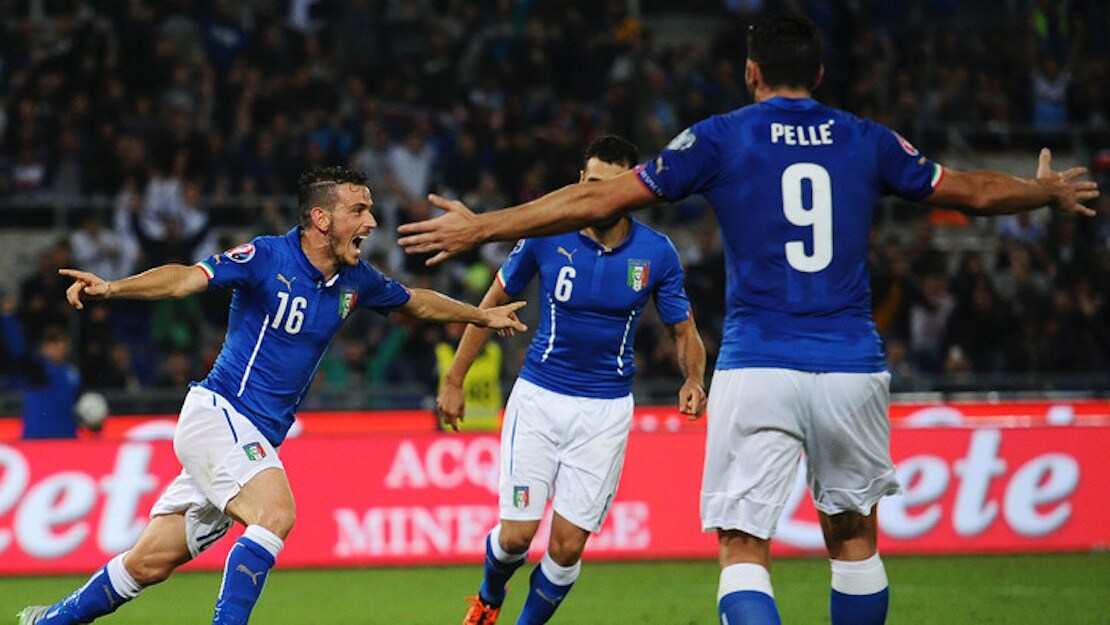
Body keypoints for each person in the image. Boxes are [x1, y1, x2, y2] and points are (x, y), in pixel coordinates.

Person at [397, 14, 1100, 625]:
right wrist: (1040, 192)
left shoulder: (718, 138)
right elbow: (972, 191)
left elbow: (597, 200)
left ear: (751, 72)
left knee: (742, 546)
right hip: (851, 363)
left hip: (758, 361)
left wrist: (482, 225)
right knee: (855, 541)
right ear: (818, 73)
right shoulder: (868, 139)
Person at [19, 165, 527, 625]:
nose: (372, 222)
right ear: (321, 219)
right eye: (359, 210)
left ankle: (50, 622)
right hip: (219, 414)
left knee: (149, 562)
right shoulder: (266, 257)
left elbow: (415, 302)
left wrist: (480, 315)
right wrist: (113, 288)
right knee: (276, 514)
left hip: (252, 439)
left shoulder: (355, 280)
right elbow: (185, 280)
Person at [439, 135, 707, 625]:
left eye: (610, 185)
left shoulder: (657, 253)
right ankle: (489, 597)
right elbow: (491, 305)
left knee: (565, 549)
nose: (598, 194)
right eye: (591, 182)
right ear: (579, 181)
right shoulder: (545, 234)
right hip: (539, 398)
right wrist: (455, 378)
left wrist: (693, 377)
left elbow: (683, 330)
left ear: (632, 189)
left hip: (605, 411)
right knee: (516, 537)